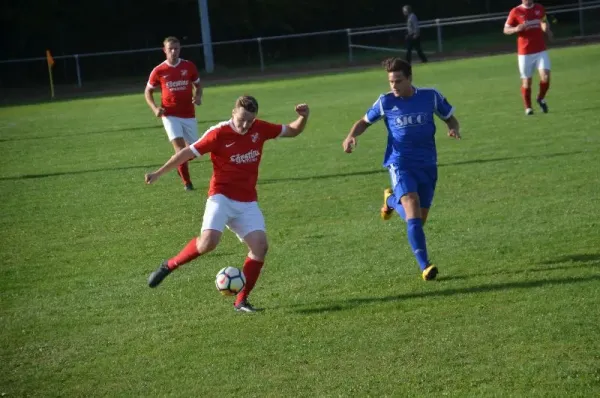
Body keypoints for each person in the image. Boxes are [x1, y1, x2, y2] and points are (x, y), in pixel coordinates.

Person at [145, 95, 310, 313]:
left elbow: (293, 130)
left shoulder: (260, 128)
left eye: (249, 121)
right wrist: (159, 173)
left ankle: (241, 301)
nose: (244, 125)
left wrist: (303, 117)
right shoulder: (218, 133)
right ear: (233, 113)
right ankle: (169, 265)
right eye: (241, 119)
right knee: (208, 243)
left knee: (260, 247)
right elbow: (186, 152)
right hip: (220, 197)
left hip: (248, 201)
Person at [342, 58, 460, 281]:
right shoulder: (385, 102)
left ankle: (390, 201)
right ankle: (425, 266)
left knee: (417, 220)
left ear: (409, 78)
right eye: (390, 81)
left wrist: (453, 128)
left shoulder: (430, 96)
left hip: (427, 164)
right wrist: (351, 136)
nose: (393, 86)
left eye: (398, 81)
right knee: (412, 206)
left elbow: (450, 118)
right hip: (400, 163)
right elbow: (364, 121)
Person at [145, 36, 203, 191]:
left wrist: (198, 96)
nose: (173, 51)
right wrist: (155, 108)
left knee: (194, 151)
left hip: (189, 114)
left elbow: (198, 85)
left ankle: (178, 164)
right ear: (164, 50)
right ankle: (187, 183)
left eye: (176, 48)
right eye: (170, 48)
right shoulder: (159, 70)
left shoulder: (189, 66)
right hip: (169, 115)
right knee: (180, 150)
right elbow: (148, 92)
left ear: (180, 49)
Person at [504, 0, 553, 116]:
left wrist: (547, 29)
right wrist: (516, 29)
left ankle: (540, 98)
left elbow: (543, 21)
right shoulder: (516, 11)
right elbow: (506, 29)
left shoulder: (540, 7)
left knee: (545, 77)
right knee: (527, 81)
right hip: (525, 52)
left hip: (540, 50)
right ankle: (528, 107)